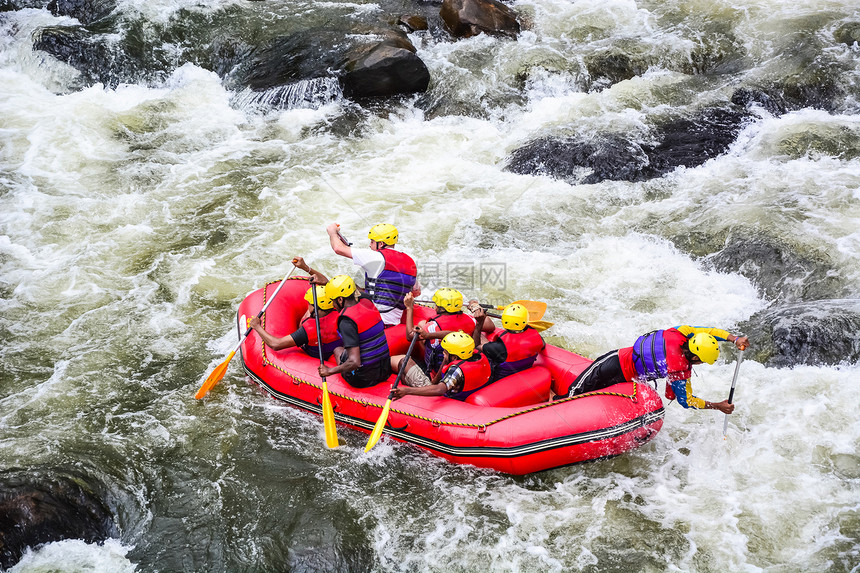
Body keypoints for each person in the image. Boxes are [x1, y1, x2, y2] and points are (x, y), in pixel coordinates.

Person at [557, 326, 750, 414]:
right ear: (694, 357)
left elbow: (708, 331)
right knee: (573, 394)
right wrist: (717, 406)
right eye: (701, 362)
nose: (699, 365)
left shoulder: (680, 332)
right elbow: (687, 401)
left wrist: (734, 339)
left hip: (621, 372)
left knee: (582, 395)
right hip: (615, 364)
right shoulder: (679, 371)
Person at [326, 222, 420, 326]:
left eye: (372, 241)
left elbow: (338, 249)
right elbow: (416, 291)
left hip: (375, 322)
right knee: (359, 288)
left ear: (381, 244)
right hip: (394, 323)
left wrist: (332, 232)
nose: (370, 245)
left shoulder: (376, 257)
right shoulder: (411, 262)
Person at [248, 257, 343, 360]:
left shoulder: (308, 330)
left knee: (308, 317)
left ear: (314, 306)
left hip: (316, 355)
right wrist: (306, 268)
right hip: (335, 347)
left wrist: (257, 326)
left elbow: (276, 344)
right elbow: (326, 282)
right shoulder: (340, 311)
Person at [318, 274, 392, 388]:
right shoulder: (367, 301)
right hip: (385, 371)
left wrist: (329, 371)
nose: (333, 305)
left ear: (340, 299)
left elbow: (354, 362)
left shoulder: (346, 321)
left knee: (338, 350)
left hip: (363, 379)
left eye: (333, 301)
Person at [391, 331, 493, 401]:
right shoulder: (479, 356)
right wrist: (445, 360)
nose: (443, 353)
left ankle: (407, 390)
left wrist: (407, 391)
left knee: (404, 361)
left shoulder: (456, 371)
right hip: (466, 392)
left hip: (443, 398)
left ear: (454, 357)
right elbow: (450, 334)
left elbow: (439, 389)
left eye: (445, 352)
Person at [403, 288, 481, 376]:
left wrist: (409, 307)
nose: (435, 307)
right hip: (463, 363)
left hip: (439, 371)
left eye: (436, 305)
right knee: (422, 324)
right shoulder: (472, 319)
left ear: (443, 310)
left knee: (421, 329)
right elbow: (490, 326)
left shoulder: (432, 326)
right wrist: (475, 307)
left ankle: (425, 361)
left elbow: (410, 336)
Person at [471, 303, 546, 382]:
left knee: (476, 338)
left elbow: (476, 346)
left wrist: (479, 323)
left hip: (500, 381)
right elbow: (542, 345)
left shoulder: (500, 347)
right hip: (523, 371)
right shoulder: (538, 338)